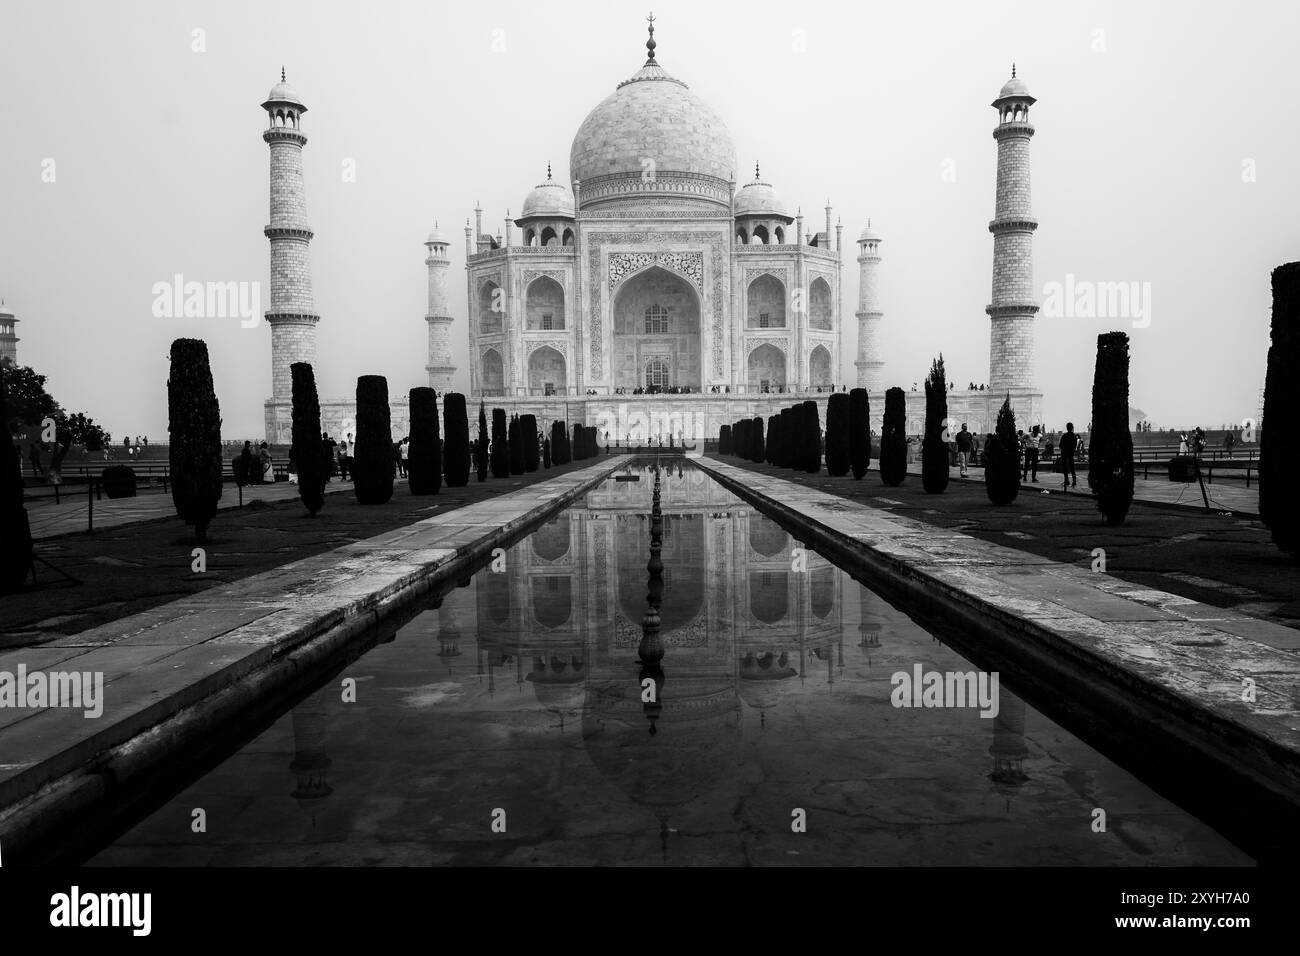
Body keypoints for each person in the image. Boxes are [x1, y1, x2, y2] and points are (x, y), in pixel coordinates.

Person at [1058, 422, 1079, 490]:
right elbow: (1075, 445)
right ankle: (1074, 481)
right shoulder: (1074, 436)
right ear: (1072, 428)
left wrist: (1064, 449)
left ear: (1067, 428)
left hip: (1064, 453)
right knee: (1072, 467)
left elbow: (1060, 445)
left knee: (1065, 468)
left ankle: (1067, 481)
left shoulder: (1064, 436)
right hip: (1071, 453)